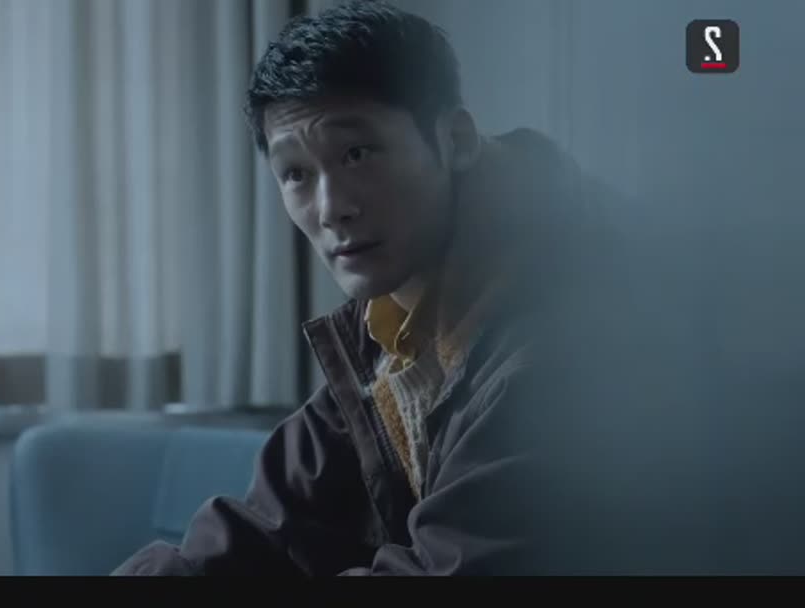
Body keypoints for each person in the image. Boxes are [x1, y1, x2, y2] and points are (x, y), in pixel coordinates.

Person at [114, 0, 641, 576]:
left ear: (456, 140)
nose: (331, 208)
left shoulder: (570, 334)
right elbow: (273, 531)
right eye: (296, 174)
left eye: (357, 154)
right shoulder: (392, 324)